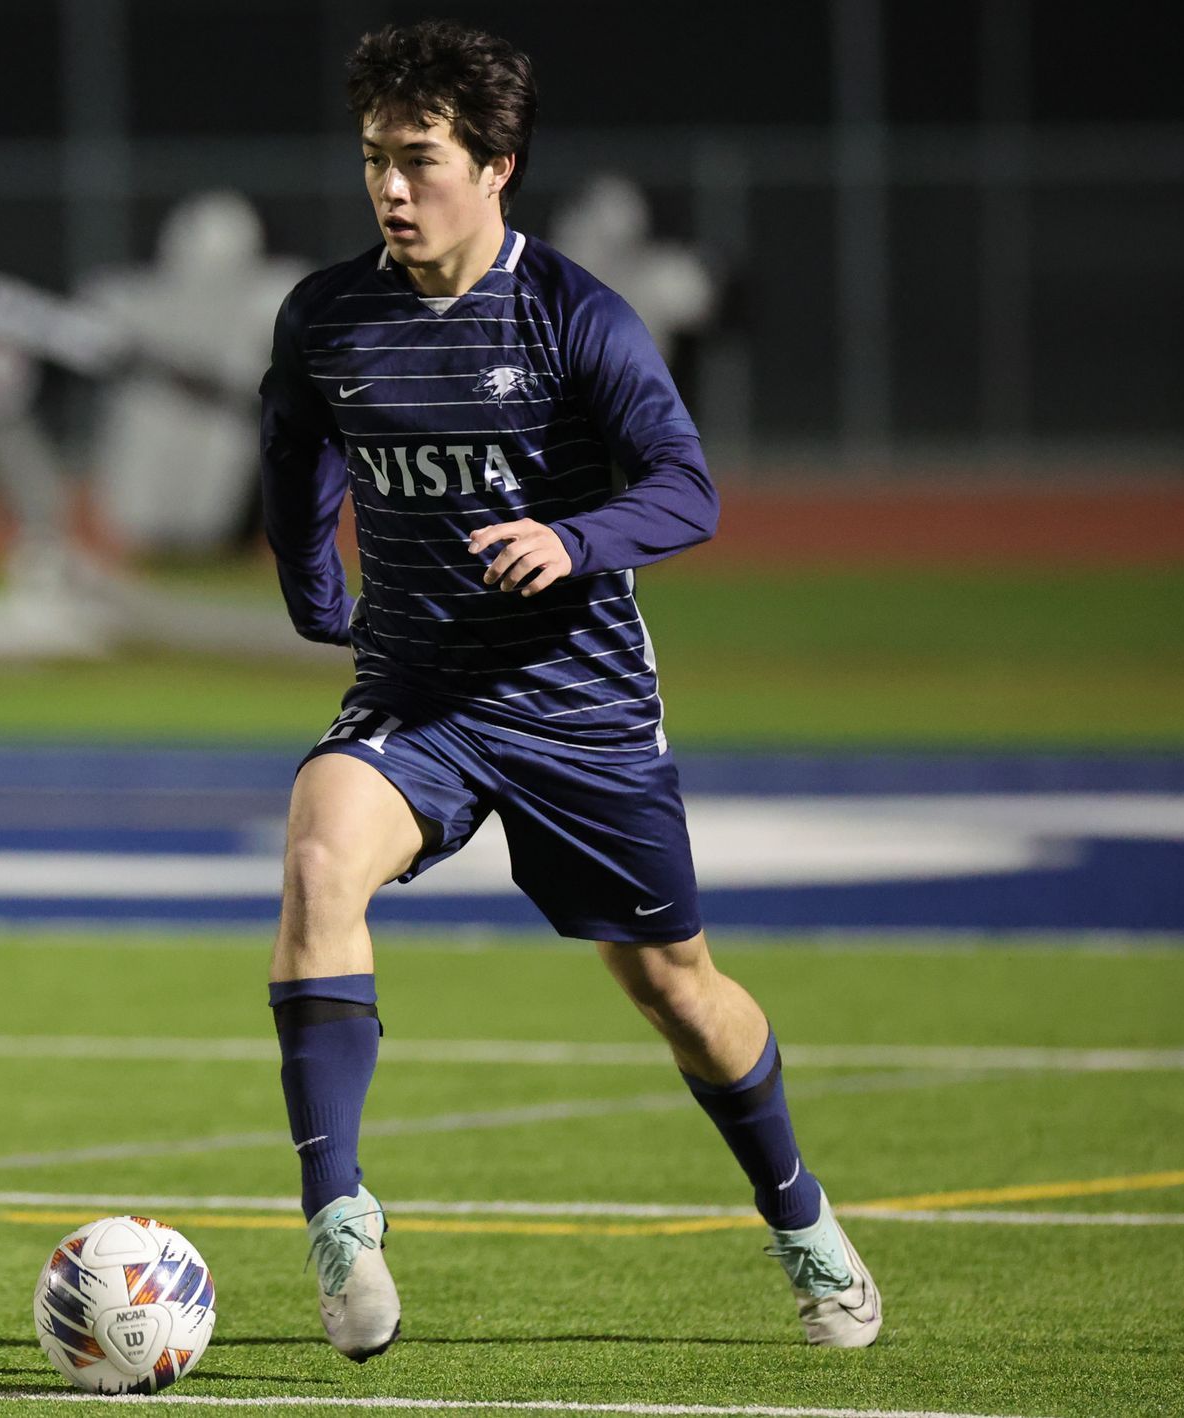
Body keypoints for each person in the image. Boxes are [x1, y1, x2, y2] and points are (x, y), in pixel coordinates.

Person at [257, 20, 881, 1362]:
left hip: (580, 707)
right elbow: (298, 442)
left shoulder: (576, 317)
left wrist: (572, 539)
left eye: (419, 160)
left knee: (673, 985)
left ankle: (799, 1214)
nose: (390, 188)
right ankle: (339, 1218)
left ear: (498, 167)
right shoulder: (329, 314)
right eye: (375, 159)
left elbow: (687, 488)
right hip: (419, 694)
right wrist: (315, 586)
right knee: (318, 857)